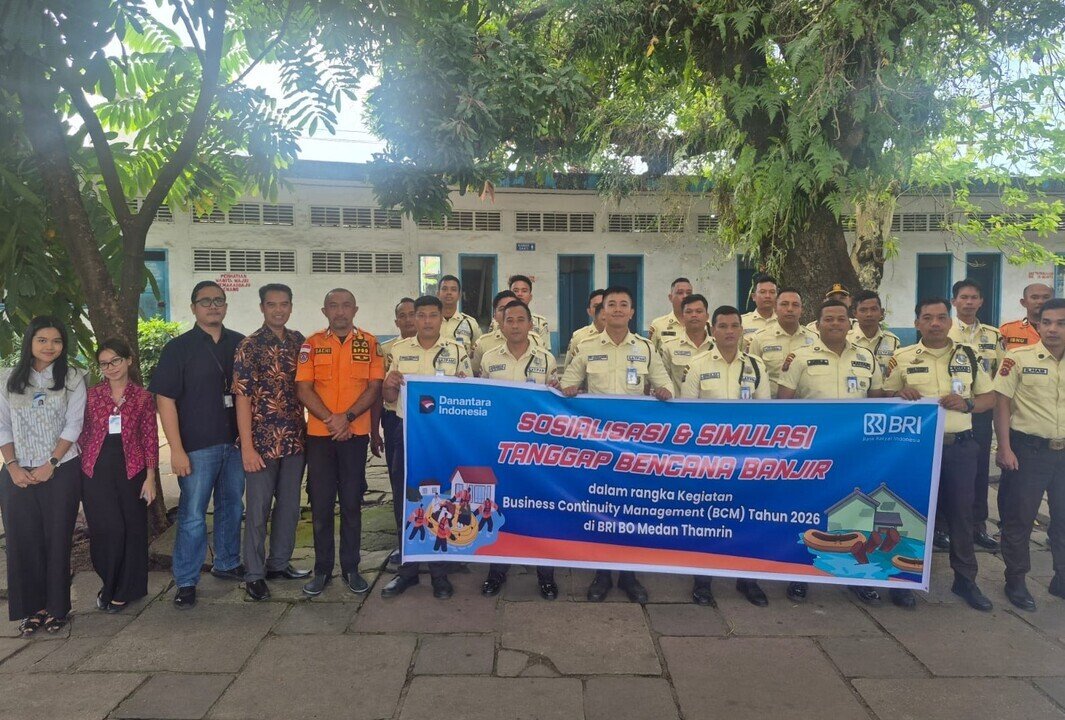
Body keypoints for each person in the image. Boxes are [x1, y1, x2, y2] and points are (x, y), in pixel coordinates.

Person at [777, 301, 910, 608]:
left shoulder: (866, 358)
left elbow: (878, 403)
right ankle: (800, 574)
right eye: (829, 319)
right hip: (814, 450)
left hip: (855, 453)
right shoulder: (800, 358)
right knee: (807, 511)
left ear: (849, 324)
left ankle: (858, 578)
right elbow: (784, 404)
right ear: (818, 324)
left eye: (841, 319)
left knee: (856, 515)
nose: (835, 323)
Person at [561, 286, 673, 603]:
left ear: (632, 312)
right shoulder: (586, 347)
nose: (618, 309)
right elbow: (568, 383)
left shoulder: (646, 348)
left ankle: (628, 575)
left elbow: (666, 385)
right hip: (597, 445)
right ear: (603, 312)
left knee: (630, 508)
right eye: (612, 304)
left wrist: (663, 392)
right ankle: (601, 574)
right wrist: (570, 390)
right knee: (600, 508)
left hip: (634, 447)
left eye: (624, 304)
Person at [884, 298, 996, 611]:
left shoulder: (969, 355)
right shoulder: (902, 358)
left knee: (962, 514)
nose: (935, 323)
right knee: (909, 513)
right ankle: (902, 578)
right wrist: (899, 394)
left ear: (949, 322)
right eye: (928, 317)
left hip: (959, 447)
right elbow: (882, 396)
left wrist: (968, 403)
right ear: (917, 323)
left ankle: (965, 579)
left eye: (941, 317)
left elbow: (989, 398)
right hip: (915, 449)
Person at [150, 281, 245, 610]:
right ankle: (187, 580)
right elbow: (165, 400)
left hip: (235, 445)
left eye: (218, 300)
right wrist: (176, 450)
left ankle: (227, 562)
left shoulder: (240, 344)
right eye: (205, 301)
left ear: (225, 306)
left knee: (232, 507)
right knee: (192, 515)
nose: (213, 306)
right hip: (196, 447)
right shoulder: (178, 348)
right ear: (193, 308)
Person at [380, 295, 472, 599]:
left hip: (442, 437)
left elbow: (468, 396)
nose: (427, 321)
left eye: (433, 315)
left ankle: (439, 573)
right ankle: (407, 571)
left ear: (441, 318)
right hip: (406, 432)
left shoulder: (456, 351)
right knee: (404, 499)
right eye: (421, 315)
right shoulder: (399, 350)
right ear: (414, 318)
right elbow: (389, 398)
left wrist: (463, 385)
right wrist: (388, 385)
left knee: (440, 501)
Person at [0, 317, 86, 635]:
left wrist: (51, 462)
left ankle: (57, 609)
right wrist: (12, 466)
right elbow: (3, 426)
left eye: (56, 341)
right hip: (17, 472)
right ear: (30, 342)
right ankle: (31, 609)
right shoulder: (8, 379)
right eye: (42, 340)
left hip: (61, 470)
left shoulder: (73, 378)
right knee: (22, 541)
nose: (50, 347)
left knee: (57, 539)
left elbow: (74, 424)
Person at [295, 288, 384, 597]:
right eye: (333, 306)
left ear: (355, 310)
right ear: (325, 311)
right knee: (320, 505)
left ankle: (351, 568)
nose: (340, 311)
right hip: (320, 437)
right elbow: (303, 389)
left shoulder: (369, 343)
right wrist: (332, 420)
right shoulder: (311, 344)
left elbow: (374, 387)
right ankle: (322, 569)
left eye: (346, 305)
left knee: (351, 503)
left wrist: (346, 418)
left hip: (354, 436)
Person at [680, 305, 770, 607]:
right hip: (709, 459)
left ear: (742, 330)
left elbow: (765, 414)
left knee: (747, 518)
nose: (729, 331)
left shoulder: (756, 366)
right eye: (723, 326)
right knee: (706, 520)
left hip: (746, 460)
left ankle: (748, 579)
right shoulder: (697, 365)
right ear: (713, 330)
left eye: (734, 326)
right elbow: (688, 414)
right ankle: (702, 581)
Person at [232, 284, 310, 602]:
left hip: (294, 440)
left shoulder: (299, 342)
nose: (278, 310)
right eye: (272, 304)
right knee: (258, 510)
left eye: (284, 304)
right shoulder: (249, 346)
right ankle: (254, 574)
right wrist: (247, 447)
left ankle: (278, 563)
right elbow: (242, 398)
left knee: (289, 508)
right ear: (262, 307)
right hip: (261, 444)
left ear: (291, 306)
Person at [478, 299, 560, 600]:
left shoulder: (546, 360)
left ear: (530, 324)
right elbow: (480, 399)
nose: (514, 325)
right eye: (509, 320)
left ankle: (545, 575)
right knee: (498, 509)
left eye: (520, 320)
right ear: (501, 324)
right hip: (499, 448)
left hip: (536, 452)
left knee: (540, 511)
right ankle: (496, 572)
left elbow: (554, 405)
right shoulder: (489, 359)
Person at [993, 297, 1065, 611]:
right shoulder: (1018, 358)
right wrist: (1004, 447)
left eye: (1061, 323)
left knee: (1063, 520)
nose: (1053, 329)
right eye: (1047, 322)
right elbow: (1002, 404)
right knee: (1019, 520)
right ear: (1038, 324)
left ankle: (1061, 578)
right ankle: (1016, 580)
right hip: (1028, 452)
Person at [79, 338, 157, 614]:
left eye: (115, 361)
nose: (110, 367)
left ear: (128, 361)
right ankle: (109, 584)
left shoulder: (143, 397)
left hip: (131, 470)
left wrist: (150, 477)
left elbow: (149, 438)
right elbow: (81, 432)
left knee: (131, 529)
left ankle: (125, 590)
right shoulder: (92, 396)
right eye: (104, 364)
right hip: (95, 470)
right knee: (105, 530)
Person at [949, 279, 1003, 552]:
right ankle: (944, 526)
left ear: (981, 301)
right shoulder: (944, 329)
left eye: (974, 297)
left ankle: (978, 525)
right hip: (951, 409)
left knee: (980, 469)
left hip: (980, 409)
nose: (969, 302)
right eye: (964, 297)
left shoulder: (993, 335)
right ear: (954, 301)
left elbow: (1000, 373)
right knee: (949, 469)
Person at [375, 297, 417, 569]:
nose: (409, 320)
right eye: (403, 315)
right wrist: (374, 431)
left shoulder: (448, 349)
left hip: (432, 426)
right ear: (396, 321)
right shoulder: (387, 350)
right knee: (399, 481)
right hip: (395, 419)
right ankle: (404, 544)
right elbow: (378, 390)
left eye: (413, 314)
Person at [746, 288, 818, 395]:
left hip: (805, 402)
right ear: (775, 308)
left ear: (802, 310)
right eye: (784, 304)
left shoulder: (814, 338)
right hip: (771, 402)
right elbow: (751, 374)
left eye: (795, 305)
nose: (790, 309)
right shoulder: (760, 338)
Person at [471, 290, 542, 375]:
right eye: (502, 309)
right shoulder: (483, 343)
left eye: (512, 307)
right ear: (494, 316)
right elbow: (474, 374)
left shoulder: (536, 341)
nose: (508, 312)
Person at [659, 294, 713, 395]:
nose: (694, 315)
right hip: (680, 404)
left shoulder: (717, 347)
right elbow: (661, 382)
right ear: (682, 317)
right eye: (689, 312)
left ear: (707, 317)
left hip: (712, 404)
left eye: (699, 311)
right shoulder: (669, 347)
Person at [847, 289, 901, 378]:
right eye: (863, 310)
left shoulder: (893, 341)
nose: (869, 314)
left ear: (881, 312)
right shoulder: (846, 339)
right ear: (854, 313)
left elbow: (896, 373)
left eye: (874, 309)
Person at [1000, 283, 1053, 350]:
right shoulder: (1007, 330)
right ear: (1023, 302)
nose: (1040, 301)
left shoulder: (1062, 329)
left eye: (1046, 297)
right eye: (1034, 297)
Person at [563, 289, 606, 367]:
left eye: (604, 306)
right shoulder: (579, 337)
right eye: (596, 306)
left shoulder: (622, 337)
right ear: (589, 311)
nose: (601, 310)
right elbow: (569, 368)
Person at [438, 274, 483, 349]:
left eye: (453, 289)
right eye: (444, 289)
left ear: (459, 295)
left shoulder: (470, 323)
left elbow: (479, 351)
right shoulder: (430, 323)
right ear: (438, 294)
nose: (449, 292)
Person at [507, 274, 551, 350]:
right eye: (515, 291)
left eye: (524, 291)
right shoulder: (498, 322)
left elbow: (545, 352)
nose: (519, 294)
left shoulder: (540, 323)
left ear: (530, 297)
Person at [648, 277, 693, 350]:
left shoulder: (705, 325)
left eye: (689, 293)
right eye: (680, 293)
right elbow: (651, 353)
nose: (685, 296)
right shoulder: (658, 325)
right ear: (670, 297)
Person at [741, 273, 778, 339]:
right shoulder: (742, 322)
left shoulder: (784, 321)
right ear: (753, 296)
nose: (768, 296)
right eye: (762, 292)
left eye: (772, 292)